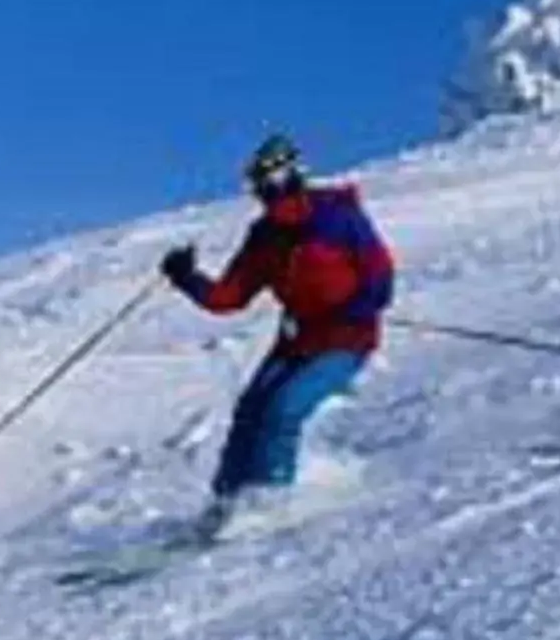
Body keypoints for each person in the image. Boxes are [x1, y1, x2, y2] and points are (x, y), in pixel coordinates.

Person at [160, 134, 394, 512]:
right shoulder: (265, 235)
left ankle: (270, 500)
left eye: (274, 179)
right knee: (250, 411)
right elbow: (230, 297)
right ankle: (226, 504)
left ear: (295, 174)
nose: (267, 191)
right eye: (259, 184)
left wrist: (355, 310)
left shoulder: (337, 217)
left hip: (345, 339)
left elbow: (379, 275)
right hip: (297, 340)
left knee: (284, 410)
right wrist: (187, 277)